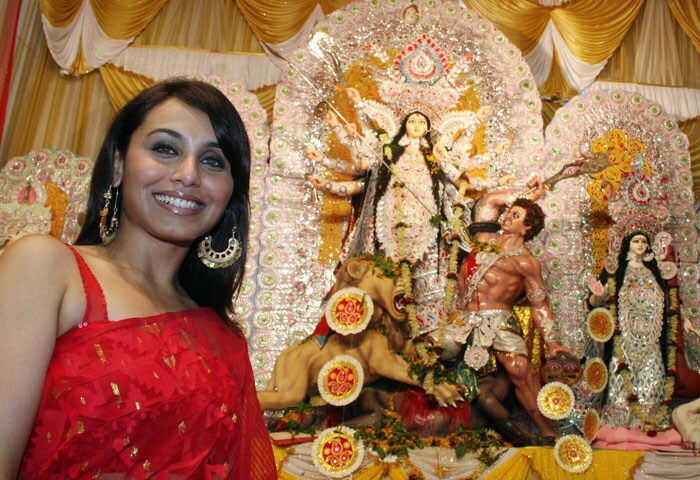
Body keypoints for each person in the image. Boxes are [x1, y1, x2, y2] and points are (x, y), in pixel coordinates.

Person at [0, 80, 277, 479]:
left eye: (213, 161)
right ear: (117, 164)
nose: (188, 175)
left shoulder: (223, 339)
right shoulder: (46, 268)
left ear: (230, 192)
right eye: (165, 149)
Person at [444, 186, 568, 442]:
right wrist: (524, 194)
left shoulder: (525, 262)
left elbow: (540, 304)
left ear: (527, 228)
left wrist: (552, 342)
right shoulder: (483, 242)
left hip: (498, 320)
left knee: (520, 370)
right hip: (463, 319)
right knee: (435, 354)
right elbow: (490, 199)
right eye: (510, 212)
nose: (508, 216)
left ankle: (547, 431)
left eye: (517, 215)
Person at [589, 231, 673, 432]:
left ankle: (651, 421)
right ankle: (619, 422)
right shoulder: (616, 272)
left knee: (653, 378)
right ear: (628, 245)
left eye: (644, 241)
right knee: (621, 378)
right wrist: (598, 296)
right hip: (624, 339)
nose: (640, 245)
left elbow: (670, 306)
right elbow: (595, 303)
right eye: (636, 241)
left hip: (652, 338)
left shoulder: (655, 273)